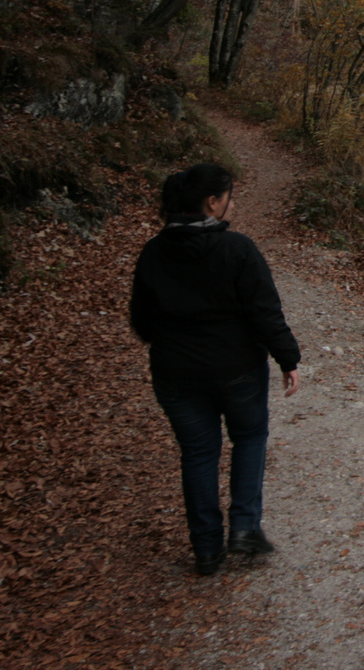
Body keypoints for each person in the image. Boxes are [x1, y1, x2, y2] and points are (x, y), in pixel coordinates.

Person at [129, 163, 302, 576]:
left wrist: (176, 338)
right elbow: (265, 312)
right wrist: (288, 359)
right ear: (212, 203)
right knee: (249, 438)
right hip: (237, 368)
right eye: (228, 196)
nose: (232, 203)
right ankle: (244, 528)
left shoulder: (154, 252)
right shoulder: (237, 249)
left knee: (198, 453)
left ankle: (206, 548)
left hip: (176, 373)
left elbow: (142, 322)